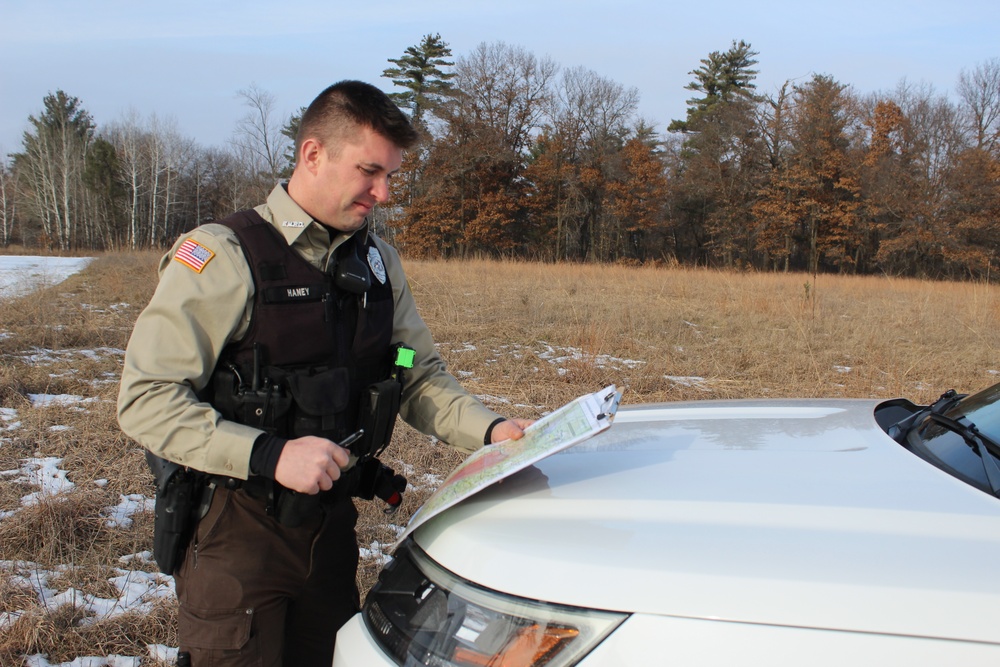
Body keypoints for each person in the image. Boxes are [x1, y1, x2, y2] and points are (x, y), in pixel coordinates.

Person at [117, 80, 532, 667]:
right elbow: (147, 399)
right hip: (238, 534)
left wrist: (494, 432)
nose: (382, 193)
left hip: (332, 532)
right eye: (369, 172)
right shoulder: (222, 257)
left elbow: (414, 372)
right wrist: (269, 455)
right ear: (313, 154)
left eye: (390, 176)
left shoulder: (378, 265)